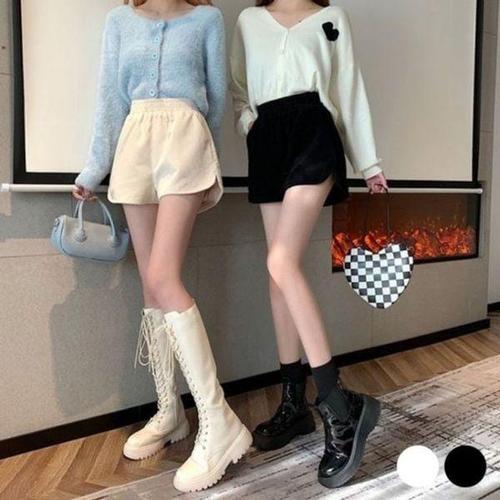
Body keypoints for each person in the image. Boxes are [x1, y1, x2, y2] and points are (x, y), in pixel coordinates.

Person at [72, 0, 252, 493]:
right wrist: (94, 168)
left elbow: (216, 100)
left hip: (186, 137)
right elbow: (110, 99)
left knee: (164, 277)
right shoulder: (119, 21)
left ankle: (218, 419)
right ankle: (170, 412)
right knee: (150, 286)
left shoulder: (207, 19)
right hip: (135, 140)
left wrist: (205, 156)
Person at [229, 0, 388, 488]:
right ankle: (293, 403)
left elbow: (349, 87)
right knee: (276, 273)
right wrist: (249, 123)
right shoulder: (248, 21)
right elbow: (238, 87)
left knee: (282, 261)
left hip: (314, 133)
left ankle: (339, 405)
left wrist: (368, 163)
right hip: (267, 140)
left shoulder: (331, 18)